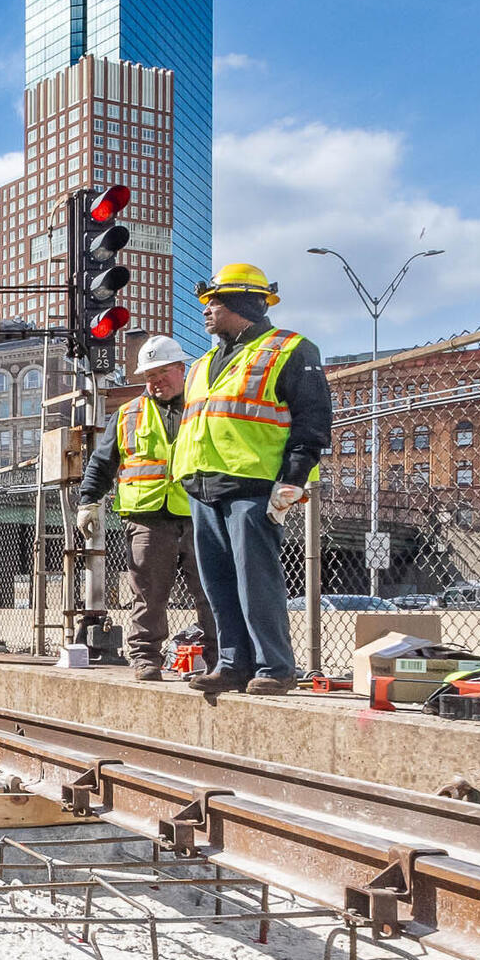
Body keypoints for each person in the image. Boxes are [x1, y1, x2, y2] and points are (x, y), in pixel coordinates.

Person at [170, 263, 332, 695]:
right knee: (217, 584)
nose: (206, 310)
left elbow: (312, 422)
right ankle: (232, 664)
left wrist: (293, 479)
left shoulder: (290, 349)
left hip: (254, 485)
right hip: (204, 487)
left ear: (242, 302)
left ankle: (276, 668)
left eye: (214, 302)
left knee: (255, 579)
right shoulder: (203, 363)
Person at [74, 335, 218, 682]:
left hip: (199, 513)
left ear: (181, 369)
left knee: (212, 592)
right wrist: (88, 500)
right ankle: (145, 658)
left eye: (162, 373)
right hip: (148, 517)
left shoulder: (204, 407)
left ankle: (220, 661)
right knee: (148, 594)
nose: (155, 382)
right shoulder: (128, 414)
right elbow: (102, 462)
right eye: (149, 375)